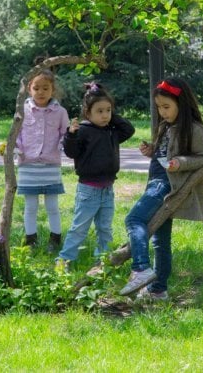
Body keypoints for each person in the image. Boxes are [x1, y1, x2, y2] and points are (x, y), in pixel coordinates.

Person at [119, 77, 203, 301]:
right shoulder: (167, 126)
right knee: (160, 241)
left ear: (182, 103)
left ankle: (141, 269)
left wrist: (181, 162)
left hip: (167, 185)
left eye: (167, 107)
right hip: (157, 181)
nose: (162, 112)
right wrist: (152, 150)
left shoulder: (194, 129)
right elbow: (165, 154)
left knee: (134, 219)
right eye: (159, 107)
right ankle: (158, 290)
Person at [56, 82, 135, 267]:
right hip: (88, 191)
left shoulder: (112, 131)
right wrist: (71, 135)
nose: (105, 115)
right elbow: (71, 152)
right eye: (99, 111)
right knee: (79, 228)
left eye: (108, 110)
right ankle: (64, 260)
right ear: (87, 112)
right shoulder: (83, 131)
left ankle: (103, 262)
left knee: (105, 229)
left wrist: (112, 118)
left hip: (108, 190)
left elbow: (129, 130)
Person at [15, 69, 69, 252]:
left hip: (50, 165)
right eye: (36, 88)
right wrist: (17, 149)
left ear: (52, 90)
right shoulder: (23, 110)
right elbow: (16, 134)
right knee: (30, 206)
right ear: (29, 89)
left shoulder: (60, 112)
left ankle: (55, 240)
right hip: (27, 165)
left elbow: (65, 134)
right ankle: (30, 240)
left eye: (45, 88)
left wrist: (63, 146)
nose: (40, 92)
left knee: (52, 206)